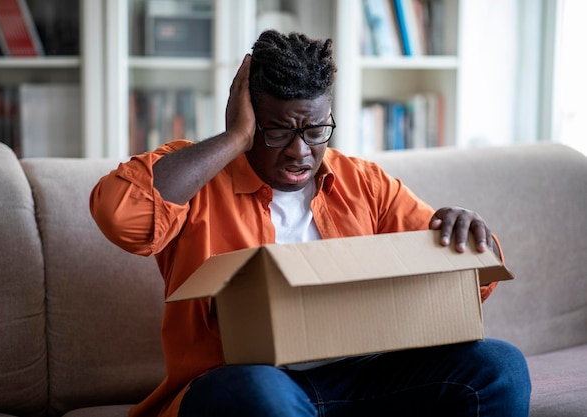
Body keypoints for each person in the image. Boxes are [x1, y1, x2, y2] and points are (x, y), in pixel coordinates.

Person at [90, 30, 531, 417]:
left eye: (316, 130)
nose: (300, 152)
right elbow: (120, 217)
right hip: (246, 382)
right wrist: (233, 140)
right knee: (258, 393)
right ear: (248, 118)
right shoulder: (198, 178)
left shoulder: (364, 182)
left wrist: (468, 238)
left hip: (360, 378)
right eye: (279, 132)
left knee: (499, 367)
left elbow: (473, 284)